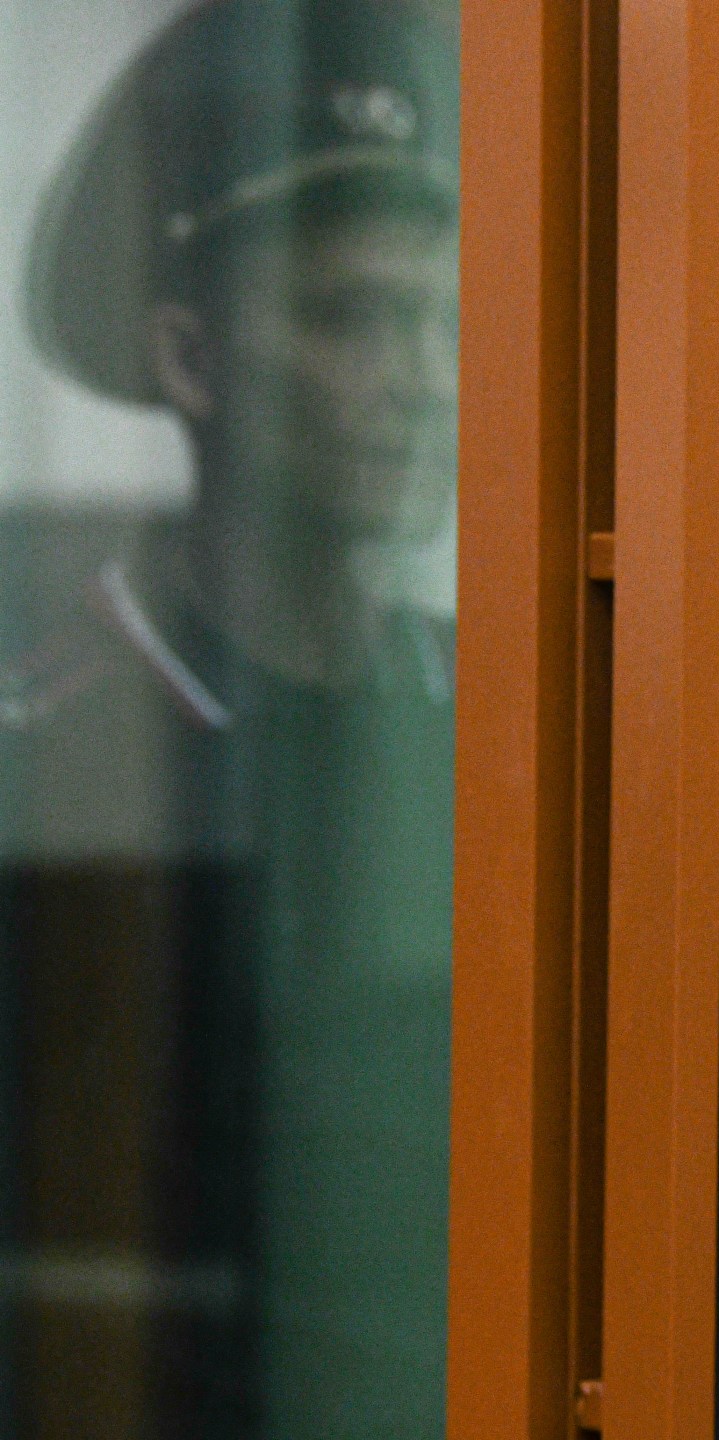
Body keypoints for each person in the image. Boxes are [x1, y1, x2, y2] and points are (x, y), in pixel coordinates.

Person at [0, 1, 458, 1434]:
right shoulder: (64, 753)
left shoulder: (503, 716)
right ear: (192, 360)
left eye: (443, 322)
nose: (426, 385)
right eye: (352, 319)